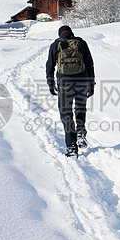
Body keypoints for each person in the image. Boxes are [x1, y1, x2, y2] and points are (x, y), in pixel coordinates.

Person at [46, 25, 95, 157]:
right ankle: (80, 131)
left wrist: (51, 84)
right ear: (71, 33)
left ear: (60, 34)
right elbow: (90, 63)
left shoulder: (56, 45)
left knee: (66, 114)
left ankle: (72, 146)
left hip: (64, 84)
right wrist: (91, 83)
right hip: (82, 81)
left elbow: (50, 66)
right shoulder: (81, 43)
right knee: (80, 108)